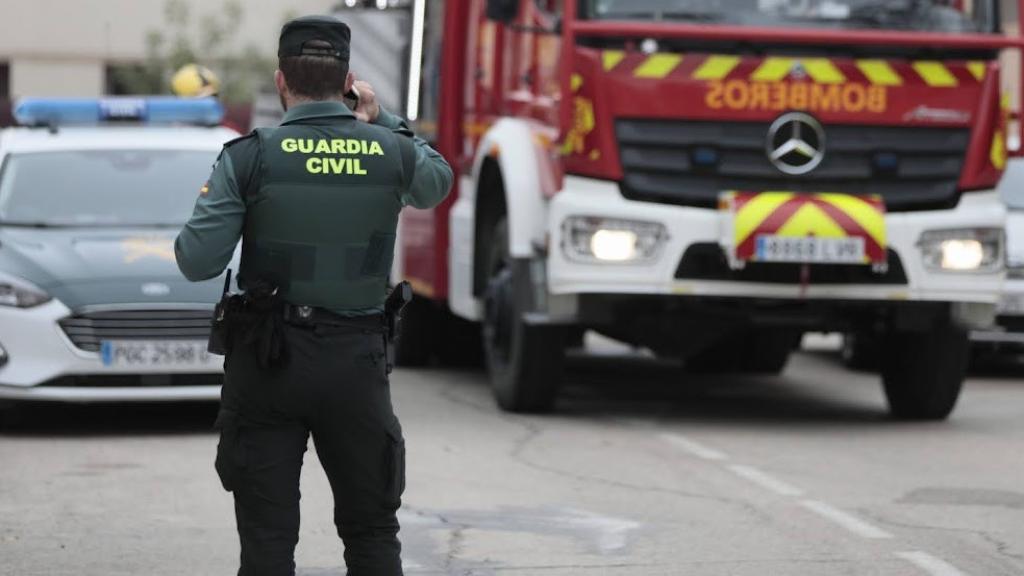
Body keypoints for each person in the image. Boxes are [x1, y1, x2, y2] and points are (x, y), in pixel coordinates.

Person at [174, 14, 453, 576]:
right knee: (373, 533)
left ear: (281, 81)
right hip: (356, 365)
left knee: (267, 543)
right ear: (348, 82)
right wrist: (387, 120)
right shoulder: (391, 151)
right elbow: (436, 184)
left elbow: (196, 260)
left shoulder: (249, 156)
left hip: (267, 364)